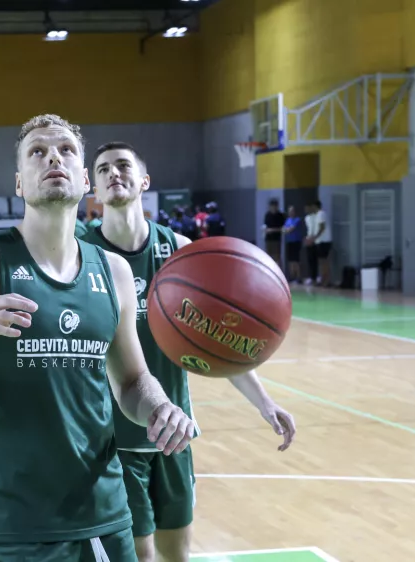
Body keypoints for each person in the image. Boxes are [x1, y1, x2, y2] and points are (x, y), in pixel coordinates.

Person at [0, 114, 197, 562]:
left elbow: (131, 382)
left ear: (84, 178)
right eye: (37, 151)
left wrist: (161, 406)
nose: (54, 156)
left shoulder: (115, 273)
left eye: (67, 150)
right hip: (16, 525)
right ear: (19, 183)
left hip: (106, 515)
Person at [78, 142, 297, 562]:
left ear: (144, 180)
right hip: (113, 441)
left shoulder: (179, 250)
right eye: (103, 169)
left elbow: (220, 343)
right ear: (95, 190)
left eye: (124, 165)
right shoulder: (82, 254)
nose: (114, 173)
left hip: (174, 436)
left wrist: (265, 404)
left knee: (177, 554)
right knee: (138, 555)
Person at [282, 206, 305, 283]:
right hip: (289, 241)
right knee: (290, 260)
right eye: (289, 211)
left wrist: (286, 230)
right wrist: (286, 230)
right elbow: (284, 229)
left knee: (296, 260)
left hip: (296, 241)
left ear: (295, 212)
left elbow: (289, 229)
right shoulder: (288, 220)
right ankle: (292, 276)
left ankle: (298, 277)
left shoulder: (297, 220)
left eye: (292, 211)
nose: (291, 213)